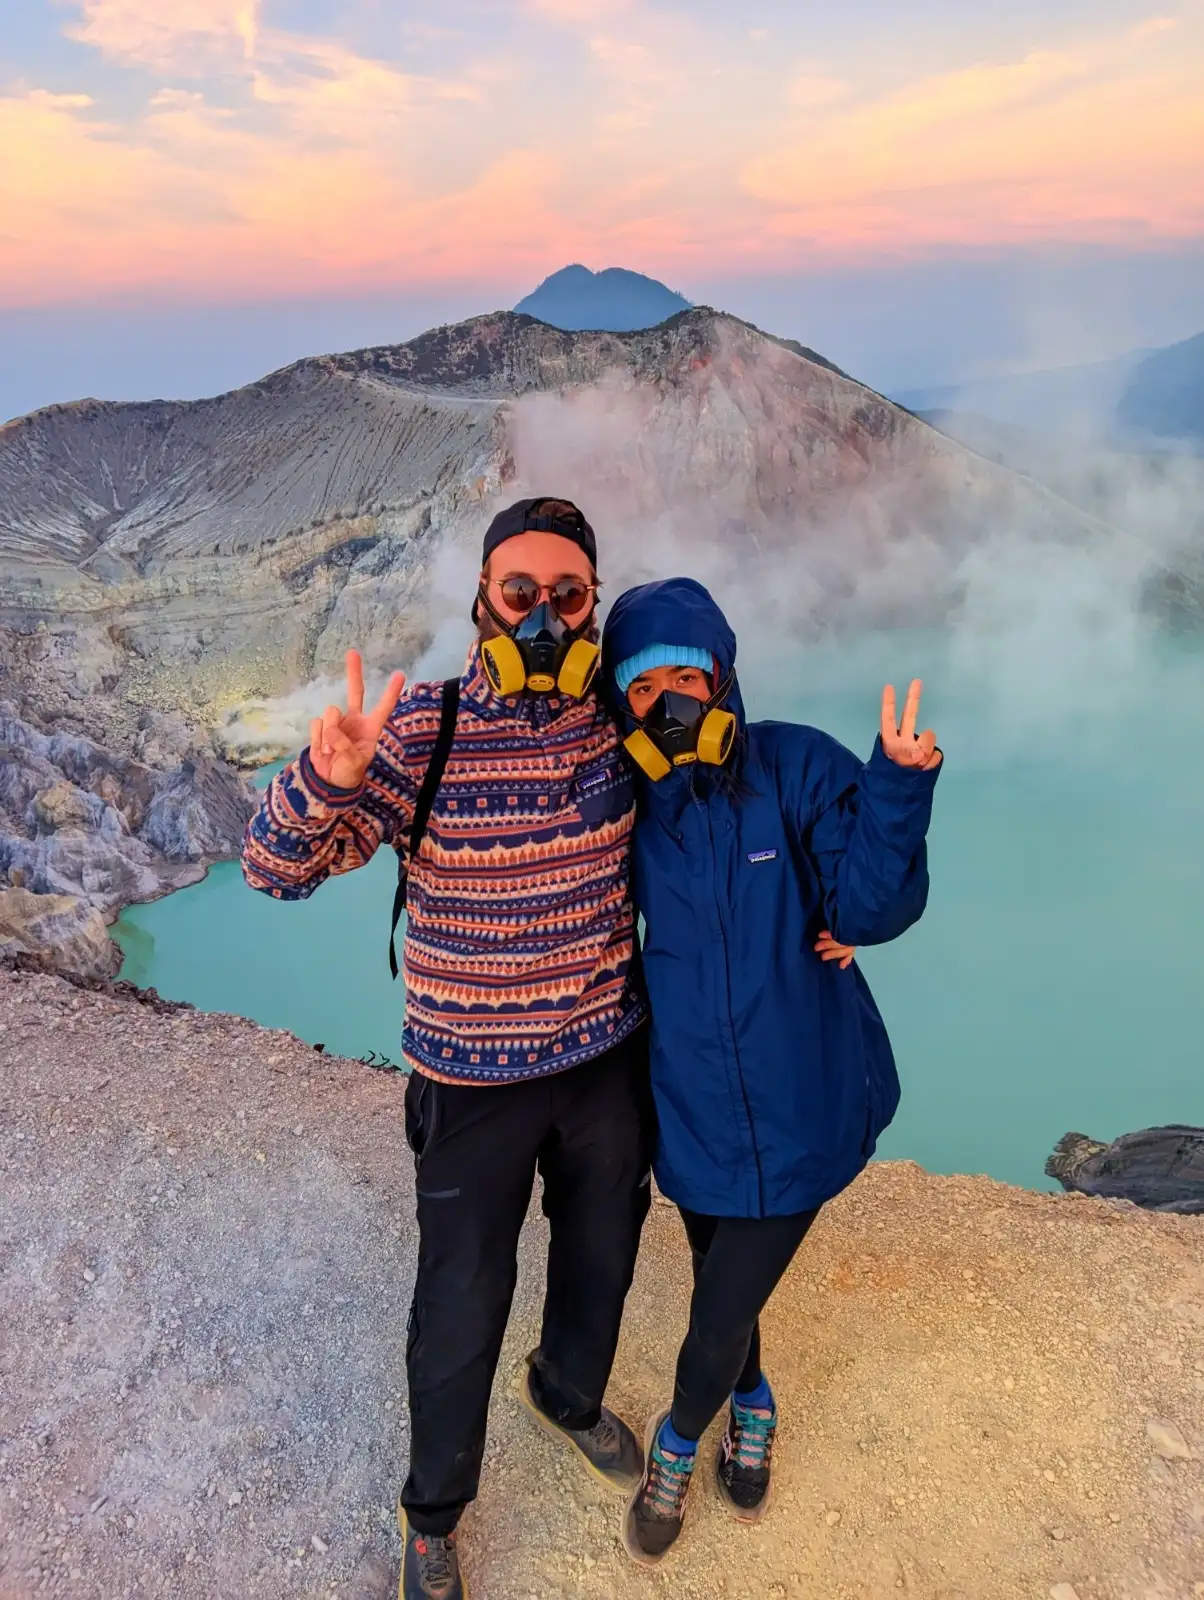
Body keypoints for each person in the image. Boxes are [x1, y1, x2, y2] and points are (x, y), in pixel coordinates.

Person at [241, 498, 653, 1600]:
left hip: (605, 1056)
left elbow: (720, 816)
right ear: (481, 600)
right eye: (520, 593)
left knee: (602, 1257)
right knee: (462, 1295)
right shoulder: (422, 732)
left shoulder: (621, 721)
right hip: (470, 1077)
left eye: (568, 597)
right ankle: (433, 1508)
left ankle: (565, 1393)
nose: (543, 617)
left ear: (593, 608)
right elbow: (275, 870)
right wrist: (326, 777)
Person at [598, 575, 943, 1567]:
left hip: (800, 1101)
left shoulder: (793, 765)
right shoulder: (630, 809)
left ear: (721, 676)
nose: (668, 696)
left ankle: (677, 1443)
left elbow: (871, 908)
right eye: (643, 680)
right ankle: (753, 1394)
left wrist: (896, 782)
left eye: (685, 673)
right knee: (721, 1274)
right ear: (620, 698)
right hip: (689, 1104)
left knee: (714, 1311)